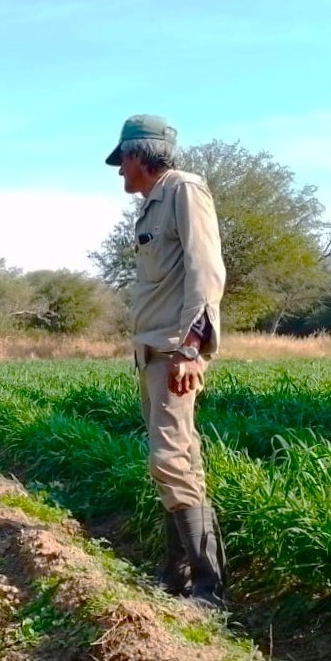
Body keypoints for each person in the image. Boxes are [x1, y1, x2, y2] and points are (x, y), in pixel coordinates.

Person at [105, 114, 228, 608]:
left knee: (171, 459)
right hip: (153, 355)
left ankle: (207, 588)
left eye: (122, 162)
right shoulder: (152, 205)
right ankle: (176, 575)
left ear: (139, 156)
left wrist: (192, 347)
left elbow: (206, 269)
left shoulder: (184, 190)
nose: (119, 173)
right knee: (173, 463)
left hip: (176, 353)